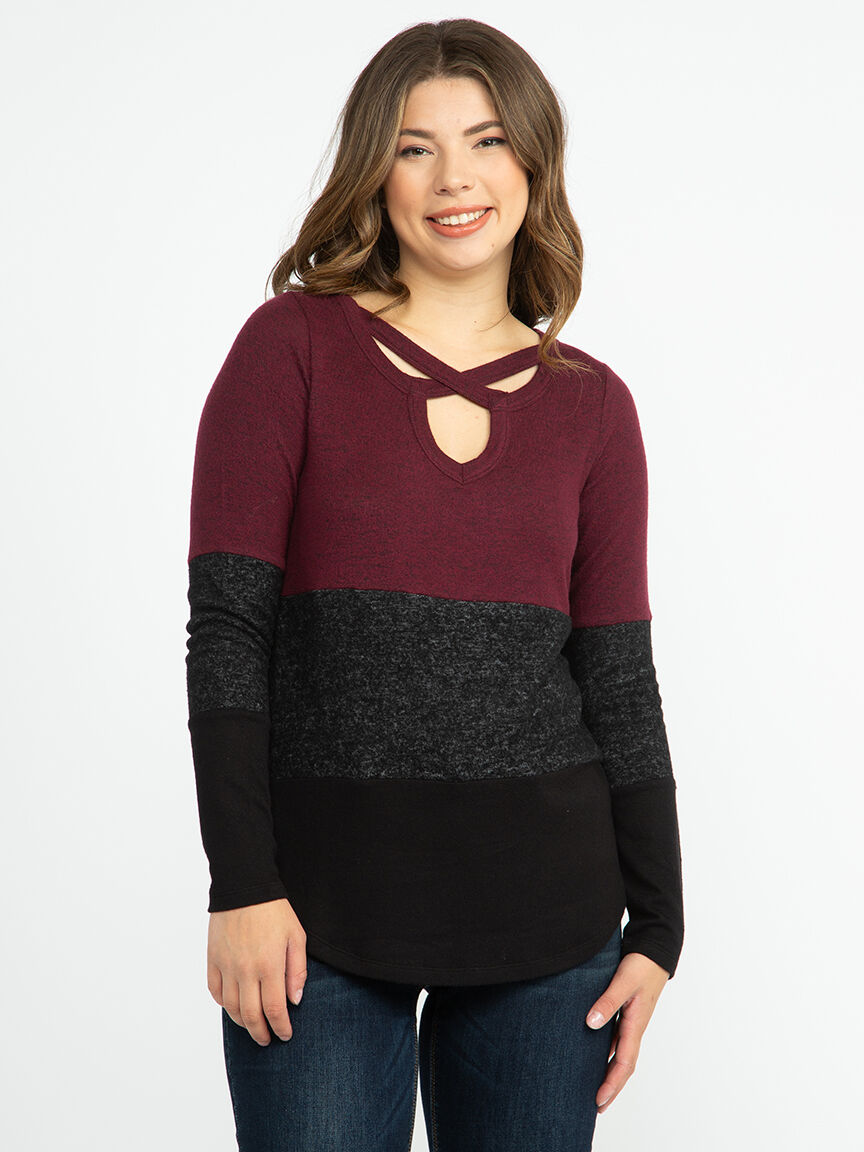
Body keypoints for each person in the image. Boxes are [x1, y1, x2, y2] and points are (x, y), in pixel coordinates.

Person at [184, 17, 684, 1152]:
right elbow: (228, 631)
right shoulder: (290, 350)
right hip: (312, 921)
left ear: (533, 163)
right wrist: (241, 883)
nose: (455, 178)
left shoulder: (594, 406)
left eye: (487, 141)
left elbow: (618, 677)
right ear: (377, 171)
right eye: (416, 147)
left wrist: (658, 927)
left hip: (553, 928)